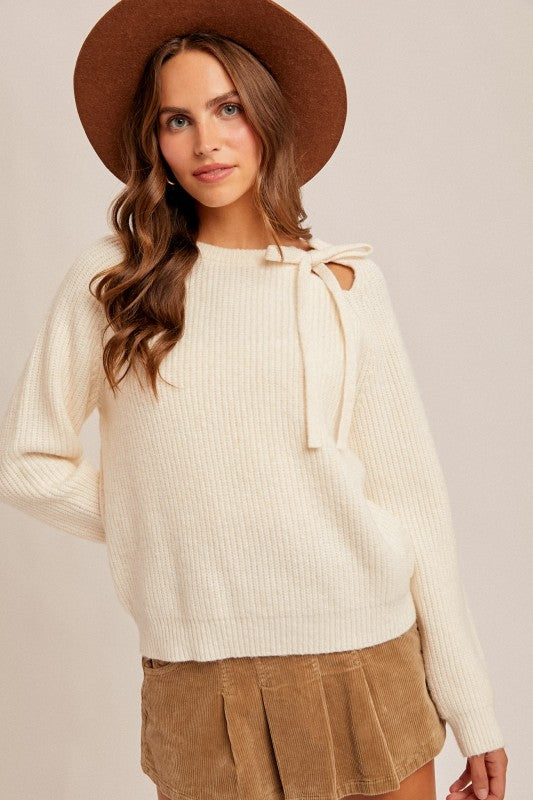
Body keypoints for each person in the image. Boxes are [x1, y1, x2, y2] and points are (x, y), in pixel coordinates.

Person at [0, 1, 508, 799]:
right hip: (201, 675)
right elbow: (27, 461)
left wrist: (471, 708)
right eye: (176, 119)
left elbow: (413, 503)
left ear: (266, 118)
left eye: (227, 108)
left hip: (366, 652)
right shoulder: (114, 281)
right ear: (155, 144)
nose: (205, 141)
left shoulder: (341, 285)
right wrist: (154, 517)